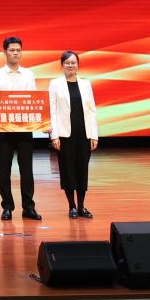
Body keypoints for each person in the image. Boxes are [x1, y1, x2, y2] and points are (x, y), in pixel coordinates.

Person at [0, 36, 42, 221]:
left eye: (18, 50)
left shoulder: (29, 74)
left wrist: (40, 122)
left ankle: (28, 207)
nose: (15, 53)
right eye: (12, 50)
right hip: (4, 129)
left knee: (27, 170)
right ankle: (7, 207)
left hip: (25, 128)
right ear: (4, 52)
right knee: (4, 171)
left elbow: (34, 100)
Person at [48, 51, 99, 219]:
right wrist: (54, 136)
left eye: (73, 62)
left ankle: (82, 206)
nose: (71, 65)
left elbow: (92, 111)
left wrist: (94, 135)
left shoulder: (85, 84)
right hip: (65, 135)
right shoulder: (55, 84)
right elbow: (52, 111)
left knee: (82, 170)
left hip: (84, 134)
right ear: (62, 65)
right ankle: (72, 206)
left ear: (78, 65)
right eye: (67, 63)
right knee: (68, 170)